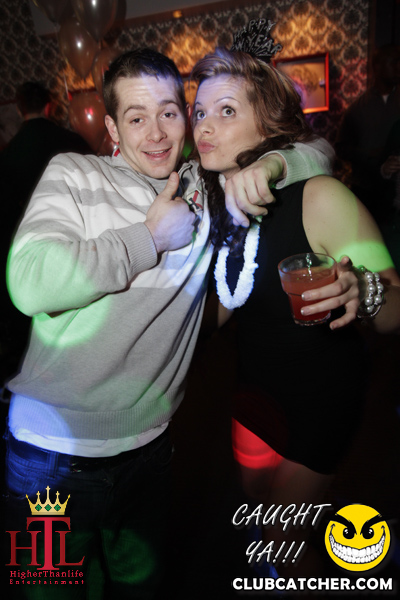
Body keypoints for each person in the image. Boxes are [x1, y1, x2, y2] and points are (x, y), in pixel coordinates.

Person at [2, 48, 333, 599]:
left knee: (142, 590)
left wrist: (271, 166)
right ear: (112, 128)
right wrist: (148, 239)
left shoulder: (204, 188)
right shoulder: (75, 174)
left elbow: (316, 151)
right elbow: (29, 282)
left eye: (169, 112)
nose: (156, 133)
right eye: (136, 118)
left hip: (149, 452)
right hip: (50, 460)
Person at [190, 25, 400, 579]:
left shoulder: (319, 197)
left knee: (283, 537)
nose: (204, 125)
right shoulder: (222, 210)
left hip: (321, 403)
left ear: (270, 124)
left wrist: (361, 289)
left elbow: (396, 309)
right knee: (262, 513)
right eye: (199, 111)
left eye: (226, 111)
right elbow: (224, 308)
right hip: (253, 398)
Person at [0, 82, 91, 391]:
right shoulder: (71, 140)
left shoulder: (9, 153)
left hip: (25, 250)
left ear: (19, 109)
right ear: (50, 106)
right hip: (76, 247)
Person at [335, 44, 400, 224]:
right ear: (377, 66)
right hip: (369, 192)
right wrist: (369, 154)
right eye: (393, 62)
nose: (398, 67)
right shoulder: (357, 109)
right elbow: (341, 148)